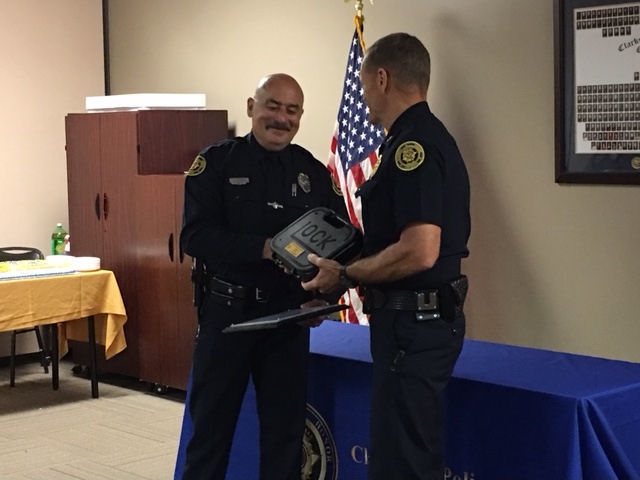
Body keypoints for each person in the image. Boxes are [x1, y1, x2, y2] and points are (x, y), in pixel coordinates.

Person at [301, 33, 471, 480]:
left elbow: (419, 251)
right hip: (409, 325)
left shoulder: (416, 147)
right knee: (398, 453)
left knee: (404, 461)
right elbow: (389, 238)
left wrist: (346, 274)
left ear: (382, 78)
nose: (362, 98)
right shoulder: (409, 141)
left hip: (414, 327)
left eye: (363, 85)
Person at [179, 73, 348, 480]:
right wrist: (265, 247)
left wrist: (323, 298)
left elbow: (341, 244)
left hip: (287, 321)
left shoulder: (312, 173)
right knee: (210, 435)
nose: (281, 118)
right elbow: (194, 236)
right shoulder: (216, 163)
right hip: (228, 317)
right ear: (252, 107)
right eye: (273, 106)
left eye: (292, 110)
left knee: (285, 440)